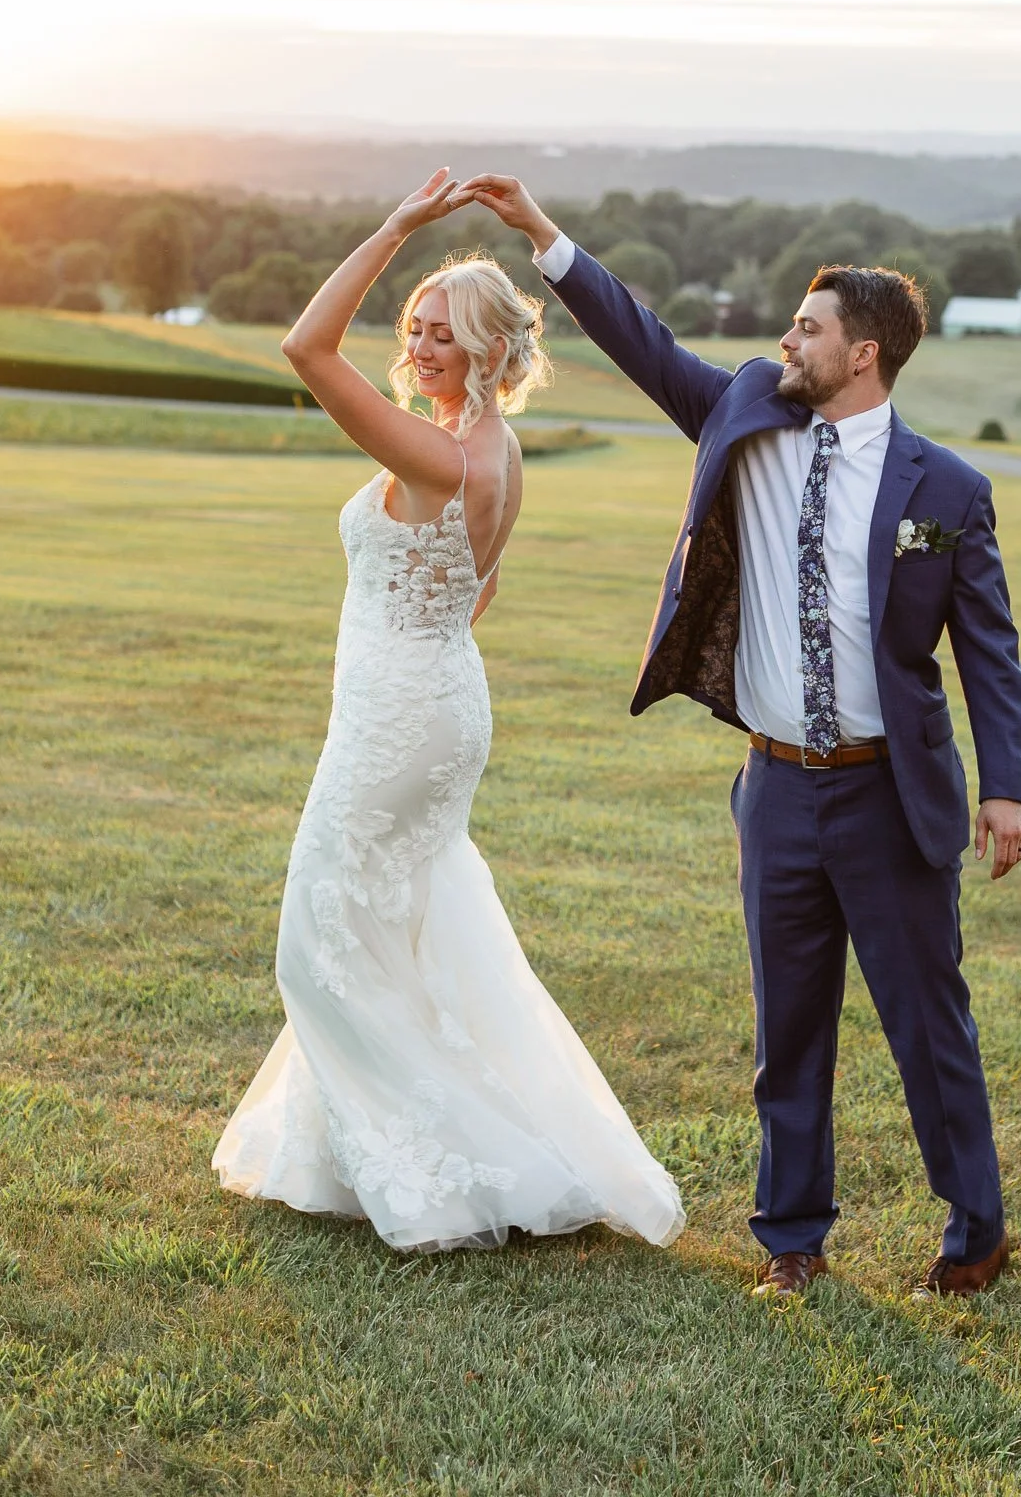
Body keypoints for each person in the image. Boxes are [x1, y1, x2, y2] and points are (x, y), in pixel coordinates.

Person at [462, 171, 1021, 1299]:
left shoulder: (948, 489)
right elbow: (645, 340)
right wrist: (543, 236)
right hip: (776, 791)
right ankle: (791, 1239)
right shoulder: (744, 412)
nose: (788, 338)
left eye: (808, 327)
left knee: (931, 1027)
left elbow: (990, 651)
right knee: (788, 1033)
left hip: (893, 795)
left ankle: (975, 1234)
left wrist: (1006, 785)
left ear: (862, 353)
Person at [213, 169, 684, 1255]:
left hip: (399, 719)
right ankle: (357, 1149)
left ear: (486, 350)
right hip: (433, 700)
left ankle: (438, 1167)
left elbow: (304, 349)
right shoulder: (496, 454)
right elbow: (479, 586)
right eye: (414, 327)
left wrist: (391, 225)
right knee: (399, 935)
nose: (418, 346)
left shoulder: (438, 454)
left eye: (441, 333)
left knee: (318, 934)